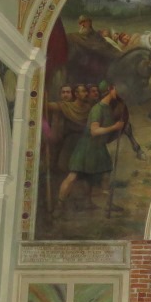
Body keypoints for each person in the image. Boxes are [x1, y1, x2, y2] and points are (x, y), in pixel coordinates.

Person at [56, 82, 124, 214]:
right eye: (115, 90)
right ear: (110, 90)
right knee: (73, 176)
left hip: (98, 146)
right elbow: (94, 131)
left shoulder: (106, 108)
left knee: (105, 175)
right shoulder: (97, 109)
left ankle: (108, 204)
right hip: (87, 147)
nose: (118, 93)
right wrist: (114, 127)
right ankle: (59, 206)